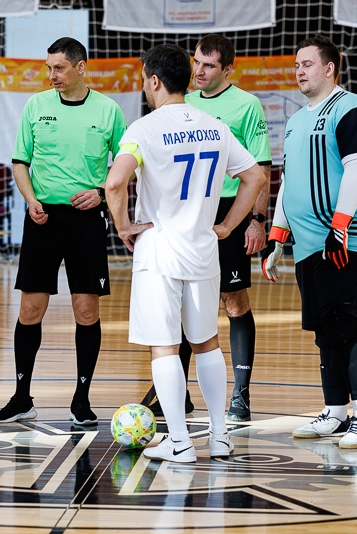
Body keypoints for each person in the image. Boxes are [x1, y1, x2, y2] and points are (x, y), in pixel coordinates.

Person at [105, 44, 265, 462]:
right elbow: (255, 177)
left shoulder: (143, 129)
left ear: (155, 81)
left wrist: (123, 226)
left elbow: (115, 183)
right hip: (203, 249)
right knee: (207, 343)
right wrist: (227, 226)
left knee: (163, 346)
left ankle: (179, 442)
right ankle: (219, 437)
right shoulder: (214, 126)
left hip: (160, 252)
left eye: (145, 79)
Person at [0, 37, 127, 426]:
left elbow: (127, 163)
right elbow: (20, 162)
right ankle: (21, 398)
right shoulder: (36, 106)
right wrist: (30, 199)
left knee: (86, 310)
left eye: (59, 68)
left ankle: (81, 400)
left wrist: (101, 192)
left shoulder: (108, 110)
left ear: (80, 68)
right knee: (30, 309)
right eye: (48, 68)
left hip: (87, 220)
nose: (51, 75)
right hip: (43, 219)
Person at [138, 34, 272, 422]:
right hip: (188, 210)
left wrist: (256, 221)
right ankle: (174, 392)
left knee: (234, 301)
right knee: (179, 299)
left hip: (230, 209)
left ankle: (240, 394)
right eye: (196, 62)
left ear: (228, 69)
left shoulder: (247, 105)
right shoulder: (182, 104)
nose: (199, 70)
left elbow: (260, 168)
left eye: (209, 65)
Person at [262, 34, 357, 449]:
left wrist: (340, 226)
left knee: (344, 321)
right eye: (296, 65)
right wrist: (277, 237)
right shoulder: (296, 121)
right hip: (309, 241)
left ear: (330, 68)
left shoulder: (351, 109)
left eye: (308, 64)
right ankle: (335, 412)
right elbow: (289, 182)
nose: (299, 71)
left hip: (347, 236)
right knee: (324, 328)